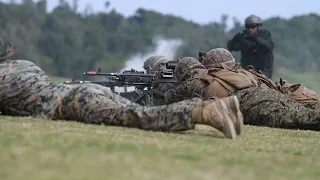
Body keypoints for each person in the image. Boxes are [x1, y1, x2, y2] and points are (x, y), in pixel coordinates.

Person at [0, 38, 243, 139]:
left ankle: (205, 112)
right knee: (133, 110)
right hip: (84, 94)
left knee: (138, 116)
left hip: (72, 103)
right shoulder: (23, 64)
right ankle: (225, 106)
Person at [164, 48, 320, 131]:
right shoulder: (231, 72)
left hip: (251, 102)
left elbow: (169, 97)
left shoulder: (195, 80)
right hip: (264, 93)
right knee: (301, 111)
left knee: (298, 119)